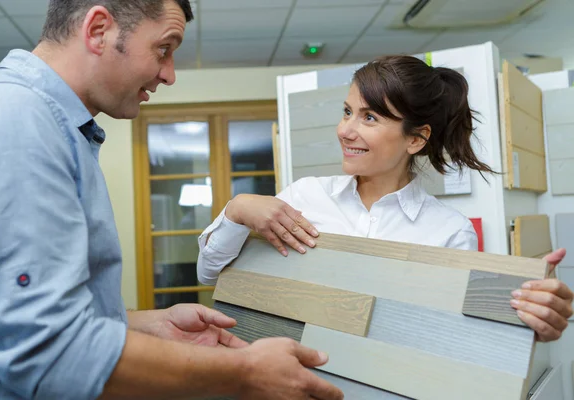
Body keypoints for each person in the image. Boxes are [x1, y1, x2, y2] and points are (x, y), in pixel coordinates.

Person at [0, 1, 345, 399]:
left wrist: (146, 325)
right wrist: (244, 371)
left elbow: (11, 311)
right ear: (99, 30)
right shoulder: (17, 119)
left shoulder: (57, 127)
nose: (168, 74)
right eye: (164, 49)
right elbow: (48, 350)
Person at [197, 55, 574, 343]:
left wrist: (528, 318)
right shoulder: (304, 197)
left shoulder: (447, 231)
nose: (345, 130)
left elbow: (454, 335)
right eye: (347, 112)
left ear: (415, 139)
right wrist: (238, 209)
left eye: (370, 118)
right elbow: (212, 275)